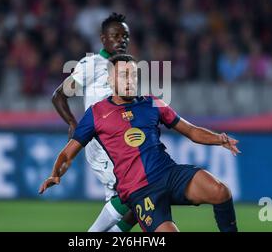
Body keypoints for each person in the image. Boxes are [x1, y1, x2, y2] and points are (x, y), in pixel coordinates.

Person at [41, 54, 241, 232]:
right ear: (110, 80)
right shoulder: (96, 113)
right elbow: (68, 154)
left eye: (133, 75)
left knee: (220, 191)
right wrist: (55, 174)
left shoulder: (152, 102)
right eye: (123, 75)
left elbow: (189, 130)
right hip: (140, 191)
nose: (130, 81)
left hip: (169, 174)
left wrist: (219, 138)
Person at [51, 13, 136, 232]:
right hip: (102, 145)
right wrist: (72, 123)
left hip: (124, 144)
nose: (122, 40)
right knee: (134, 193)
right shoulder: (92, 64)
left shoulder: (126, 67)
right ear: (103, 39)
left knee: (138, 202)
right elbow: (59, 96)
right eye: (116, 35)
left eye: (125, 36)